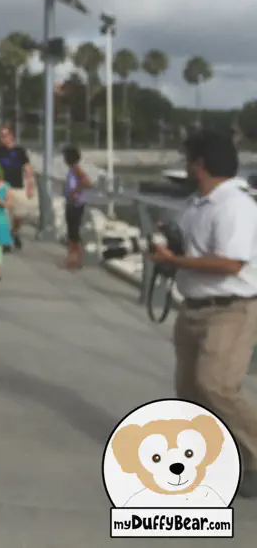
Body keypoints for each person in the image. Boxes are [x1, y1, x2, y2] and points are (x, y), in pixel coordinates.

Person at [152, 129, 257, 498]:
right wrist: (172, 258)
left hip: (229, 310)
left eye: (188, 159)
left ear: (200, 164)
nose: (185, 165)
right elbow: (199, 253)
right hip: (195, 306)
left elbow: (230, 262)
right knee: (192, 391)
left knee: (218, 385)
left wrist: (175, 259)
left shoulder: (235, 205)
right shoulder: (199, 204)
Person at [0, 126, 34, 251]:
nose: (4, 139)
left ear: (11, 136)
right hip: (3, 186)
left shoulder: (20, 151)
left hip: (17, 186)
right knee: (4, 216)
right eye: (1, 136)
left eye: (6, 135)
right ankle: (6, 242)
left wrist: (30, 186)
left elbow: (27, 168)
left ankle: (14, 232)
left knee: (19, 215)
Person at [62, 145, 93, 271]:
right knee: (71, 232)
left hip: (76, 204)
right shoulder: (72, 169)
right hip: (71, 203)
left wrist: (75, 191)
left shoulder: (76, 169)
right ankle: (72, 258)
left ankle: (77, 259)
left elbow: (87, 181)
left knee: (74, 232)